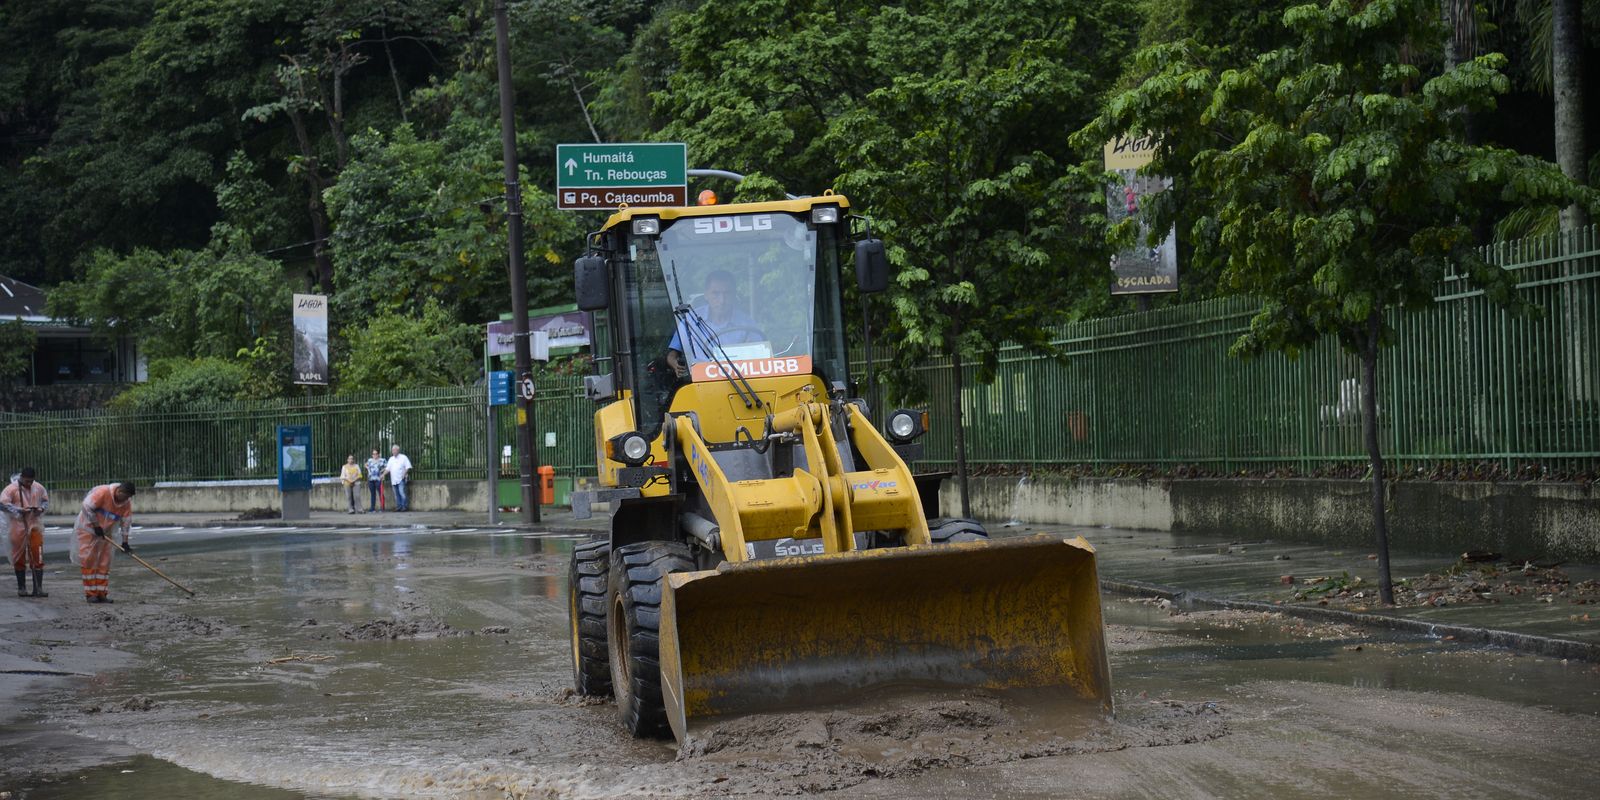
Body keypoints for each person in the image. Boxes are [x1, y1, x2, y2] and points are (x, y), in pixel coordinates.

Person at [666, 269, 764, 378]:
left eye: (727, 293)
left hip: (740, 380)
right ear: (706, 294)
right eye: (716, 294)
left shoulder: (747, 323)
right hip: (701, 381)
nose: (722, 300)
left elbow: (760, 355)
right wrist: (675, 364)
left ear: (734, 295)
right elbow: (673, 354)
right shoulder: (691, 320)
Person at [75, 481, 134, 604]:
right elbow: (87, 506)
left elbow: (126, 521)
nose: (126, 500)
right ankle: (91, 594)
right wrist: (96, 525)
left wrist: (125, 542)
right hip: (88, 529)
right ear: (119, 491)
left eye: (128, 497)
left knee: (104, 563)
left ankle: (102, 593)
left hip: (106, 533)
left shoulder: (126, 502)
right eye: (125, 496)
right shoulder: (103, 492)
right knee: (89, 561)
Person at [1, 467, 50, 598]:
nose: (29, 484)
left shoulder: (38, 487)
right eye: (27, 481)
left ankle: (38, 588)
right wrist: (18, 510)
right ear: (21, 477)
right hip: (17, 527)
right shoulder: (11, 489)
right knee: (19, 557)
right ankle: (22, 588)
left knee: (37, 554)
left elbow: (45, 501)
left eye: (31, 481)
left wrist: (41, 509)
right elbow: (3, 505)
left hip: (35, 526)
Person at [381, 445, 413, 512]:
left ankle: (404, 507)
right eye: (393, 450)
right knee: (396, 494)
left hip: (401, 479)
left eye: (395, 450)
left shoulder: (403, 457)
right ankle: (399, 506)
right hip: (394, 480)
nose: (393, 451)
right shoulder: (391, 459)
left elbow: (408, 467)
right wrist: (383, 474)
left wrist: (404, 473)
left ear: (398, 450)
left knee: (402, 493)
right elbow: (388, 469)